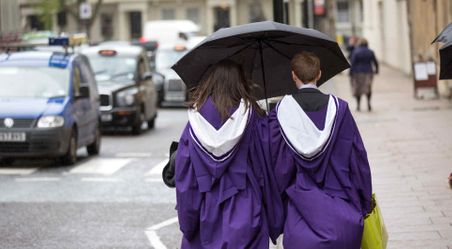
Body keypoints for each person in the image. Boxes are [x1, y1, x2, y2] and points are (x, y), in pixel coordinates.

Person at [268, 51, 373, 249]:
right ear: (319, 74)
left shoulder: (281, 114)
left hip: (300, 212)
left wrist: (276, 213)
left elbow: (279, 169)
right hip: (343, 211)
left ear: (293, 75)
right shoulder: (340, 110)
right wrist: (365, 202)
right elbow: (358, 159)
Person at [175, 60, 283, 249]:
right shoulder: (253, 117)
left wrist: (188, 222)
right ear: (240, 82)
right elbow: (266, 167)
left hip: (205, 212)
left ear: (210, 82)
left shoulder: (195, 123)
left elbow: (186, 181)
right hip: (247, 211)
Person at [350, 38, 379, 111]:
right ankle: (368, 103)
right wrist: (377, 70)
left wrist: (350, 72)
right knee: (368, 88)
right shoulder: (370, 51)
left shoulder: (355, 52)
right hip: (368, 72)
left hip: (357, 72)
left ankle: (358, 105)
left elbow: (353, 63)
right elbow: (375, 62)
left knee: (358, 89)